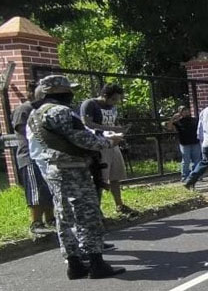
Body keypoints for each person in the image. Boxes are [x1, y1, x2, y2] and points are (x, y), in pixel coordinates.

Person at [27, 75, 125, 279]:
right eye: (68, 90)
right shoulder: (60, 112)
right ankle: (97, 263)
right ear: (56, 92)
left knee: (63, 217)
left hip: (54, 169)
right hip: (74, 170)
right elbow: (83, 139)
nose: (71, 94)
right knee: (88, 215)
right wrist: (110, 142)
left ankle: (74, 264)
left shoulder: (35, 114)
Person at [80, 84, 136, 215]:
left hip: (113, 142)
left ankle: (119, 205)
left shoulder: (113, 107)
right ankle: (96, 210)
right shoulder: (90, 104)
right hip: (98, 144)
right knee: (100, 178)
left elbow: (113, 124)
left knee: (116, 176)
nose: (116, 102)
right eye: (114, 99)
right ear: (105, 96)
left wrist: (119, 130)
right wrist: (111, 129)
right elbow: (87, 123)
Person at [11, 83, 54, 236]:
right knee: (36, 191)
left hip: (45, 155)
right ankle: (36, 222)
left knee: (48, 189)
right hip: (29, 156)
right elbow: (23, 131)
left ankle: (51, 219)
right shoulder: (24, 109)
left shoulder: (43, 109)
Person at [166, 106, 201, 183]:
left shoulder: (194, 120)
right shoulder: (178, 122)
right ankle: (185, 176)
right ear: (180, 113)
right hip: (184, 143)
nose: (185, 112)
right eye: (183, 111)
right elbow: (169, 127)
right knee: (186, 161)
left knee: (197, 160)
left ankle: (195, 176)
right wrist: (173, 118)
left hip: (195, 142)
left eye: (186, 110)